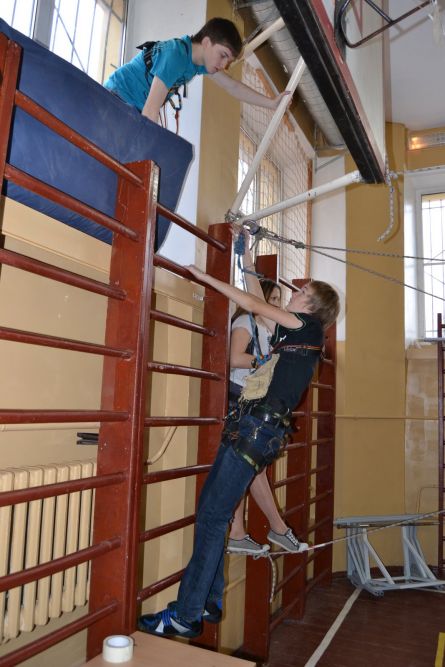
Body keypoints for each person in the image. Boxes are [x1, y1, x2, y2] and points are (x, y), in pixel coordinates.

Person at [137, 229, 340, 639]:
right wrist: (245, 259)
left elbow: (251, 304)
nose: (294, 293)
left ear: (311, 306)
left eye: (301, 292)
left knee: (212, 515)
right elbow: (257, 302)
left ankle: (186, 615)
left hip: (256, 430)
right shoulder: (294, 331)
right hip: (252, 429)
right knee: (213, 511)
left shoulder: (309, 328)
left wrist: (204, 277)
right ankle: (208, 602)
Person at [227, 278, 304, 556]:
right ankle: (274, 527)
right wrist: (263, 361)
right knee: (250, 464)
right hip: (239, 396)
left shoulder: (266, 328)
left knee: (246, 465)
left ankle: (240, 531)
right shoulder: (245, 322)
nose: (277, 304)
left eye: (278, 300)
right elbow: (234, 358)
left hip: (252, 398)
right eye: (272, 299)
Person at [104, 17, 289, 124]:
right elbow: (151, 110)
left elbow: (232, 86)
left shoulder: (197, 63)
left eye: (228, 60)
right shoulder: (176, 56)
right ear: (207, 42)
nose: (224, 65)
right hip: (115, 100)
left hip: (131, 109)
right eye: (223, 55)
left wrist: (271, 103)